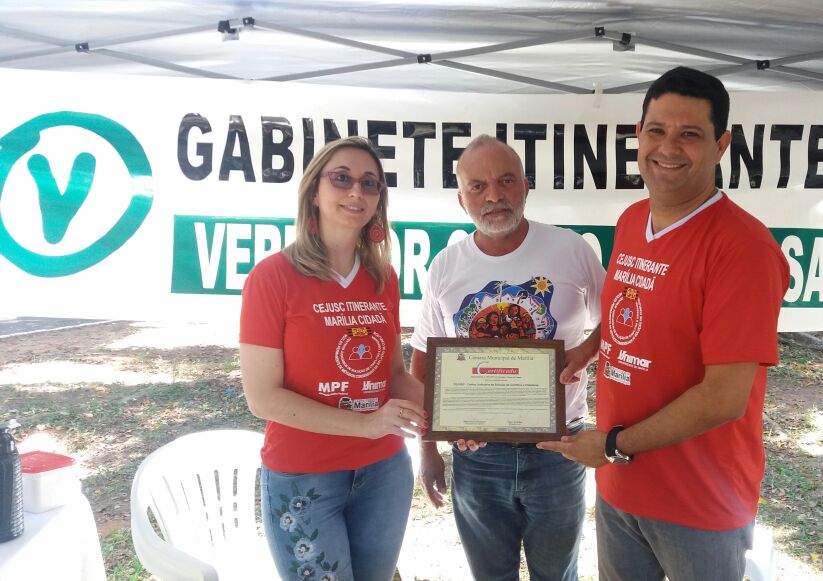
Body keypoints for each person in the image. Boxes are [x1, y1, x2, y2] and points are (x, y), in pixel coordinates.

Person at [538, 67, 790, 580]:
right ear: (638, 134)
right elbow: (635, 310)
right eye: (657, 130)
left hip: (700, 501)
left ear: (722, 145)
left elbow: (724, 396)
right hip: (621, 488)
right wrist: (591, 346)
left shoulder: (743, 249)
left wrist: (611, 446)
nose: (668, 147)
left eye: (690, 134)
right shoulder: (633, 219)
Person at [409, 135, 605, 581]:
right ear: (462, 200)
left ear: (526, 187)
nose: (493, 195)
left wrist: (586, 350)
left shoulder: (572, 250)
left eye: (505, 181)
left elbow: (621, 318)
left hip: (560, 450)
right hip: (477, 456)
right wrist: (427, 447)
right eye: (477, 186)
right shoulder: (445, 265)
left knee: (557, 574)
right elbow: (424, 361)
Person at [239, 137, 427, 581]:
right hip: (304, 475)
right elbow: (263, 398)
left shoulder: (383, 279)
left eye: (370, 184)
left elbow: (394, 375)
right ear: (314, 192)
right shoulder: (272, 277)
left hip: (384, 472)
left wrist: (454, 414)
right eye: (341, 179)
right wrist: (365, 424)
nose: (356, 192)